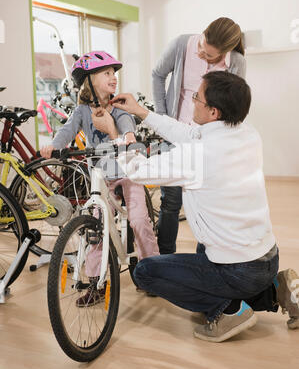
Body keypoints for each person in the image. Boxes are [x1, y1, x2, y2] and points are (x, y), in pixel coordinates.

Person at [106, 71, 299, 343]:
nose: (193, 101)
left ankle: (228, 310)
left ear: (213, 112)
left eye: (197, 97)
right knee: (202, 249)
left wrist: (117, 135)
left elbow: (138, 171)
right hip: (266, 257)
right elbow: (186, 133)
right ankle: (277, 289)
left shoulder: (197, 154)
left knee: (145, 272)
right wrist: (140, 111)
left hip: (239, 270)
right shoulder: (247, 133)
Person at [40, 51, 159, 306]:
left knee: (138, 220)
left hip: (128, 173)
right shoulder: (83, 111)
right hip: (101, 177)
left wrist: (128, 135)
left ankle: (154, 273)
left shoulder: (117, 106)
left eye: (114, 73)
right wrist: (54, 145)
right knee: (92, 230)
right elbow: (68, 129)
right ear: (90, 80)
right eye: (106, 73)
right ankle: (96, 284)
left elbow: (127, 123)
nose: (113, 77)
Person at [152, 17, 246, 255]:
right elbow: (157, 74)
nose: (202, 55)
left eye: (210, 56)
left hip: (209, 141)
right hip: (175, 135)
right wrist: (163, 118)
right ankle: (165, 260)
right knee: (170, 203)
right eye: (201, 48)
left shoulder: (236, 62)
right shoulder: (182, 44)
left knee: (207, 204)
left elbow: (236, 104)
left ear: (225, 53)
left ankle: (204, 261)